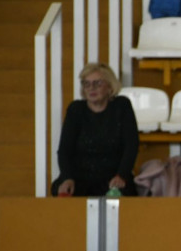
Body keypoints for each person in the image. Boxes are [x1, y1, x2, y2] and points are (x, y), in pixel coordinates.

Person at [52, 63, 139, 197]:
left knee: (122, 193)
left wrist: (121, 175)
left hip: (113, 177)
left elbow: (131, 146)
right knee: (61, 189)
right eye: (86, 84)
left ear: (110, 86)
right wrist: (67, 177)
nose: (91, 88)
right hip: (80, 178)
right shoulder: (76, 110)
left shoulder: (122, 106)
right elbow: (64, 150)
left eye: (97, 83)